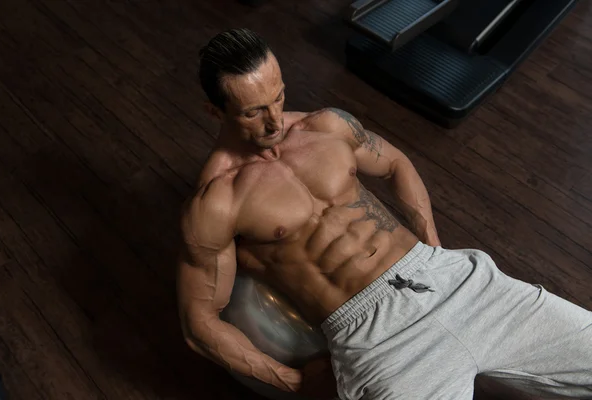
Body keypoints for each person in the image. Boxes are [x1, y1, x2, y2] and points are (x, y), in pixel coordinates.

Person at [176, 28, 592, 400]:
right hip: (380, 341)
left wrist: (434, 252)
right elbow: (200, 324)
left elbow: (396, 164)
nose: (274, 121)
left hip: (455, 281)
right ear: (215, 112)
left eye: (279, 96)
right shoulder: (217, 202)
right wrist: (295, 383)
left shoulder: (327, 127)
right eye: (253, 112)